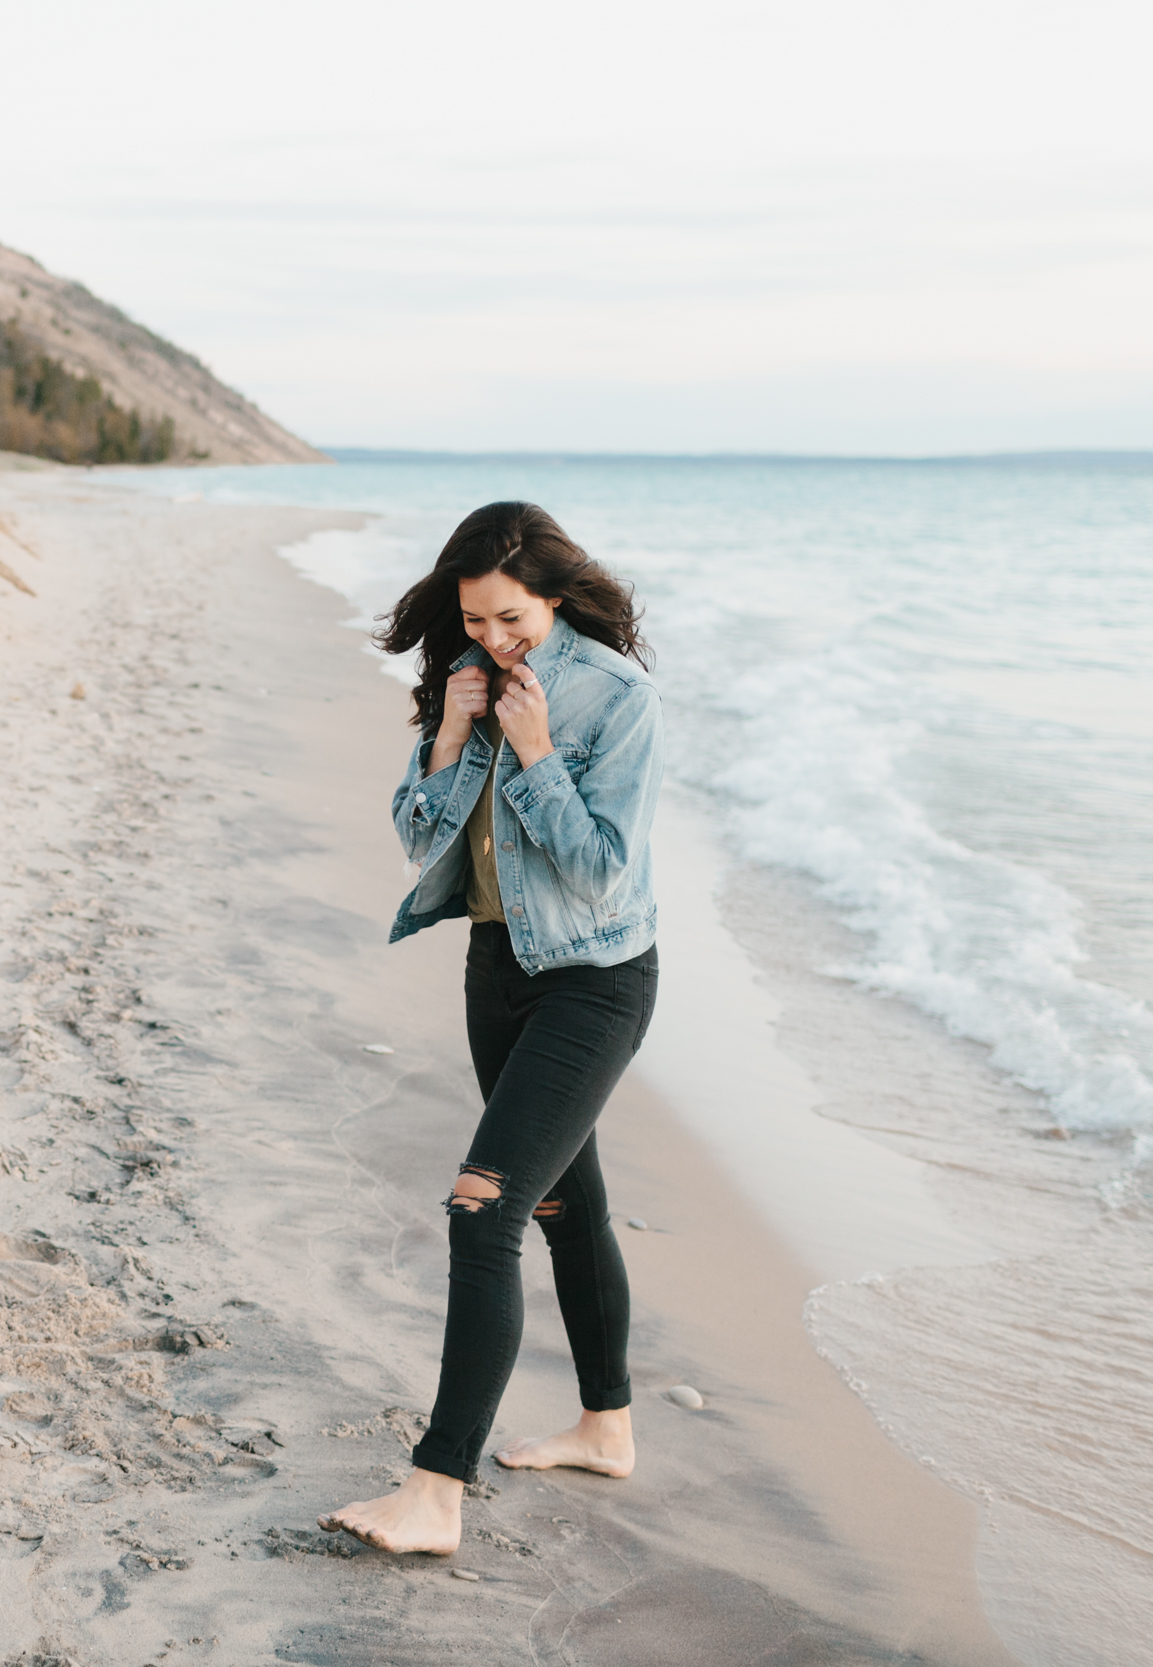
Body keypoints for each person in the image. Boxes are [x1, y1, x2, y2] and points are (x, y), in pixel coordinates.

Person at [319, 500, 662, 1555]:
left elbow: (599, 864)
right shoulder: (466, 680)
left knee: (484, 1206)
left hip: (593, 983)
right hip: (496, 973)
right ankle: (606, 1428)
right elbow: (421, 836)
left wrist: (536, 748)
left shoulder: (615, 696)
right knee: (562, 1199)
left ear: (554, 594)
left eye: (509, 616)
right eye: (474, 618)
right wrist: (456, 730)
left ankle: (436, 1487)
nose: (493, 636)